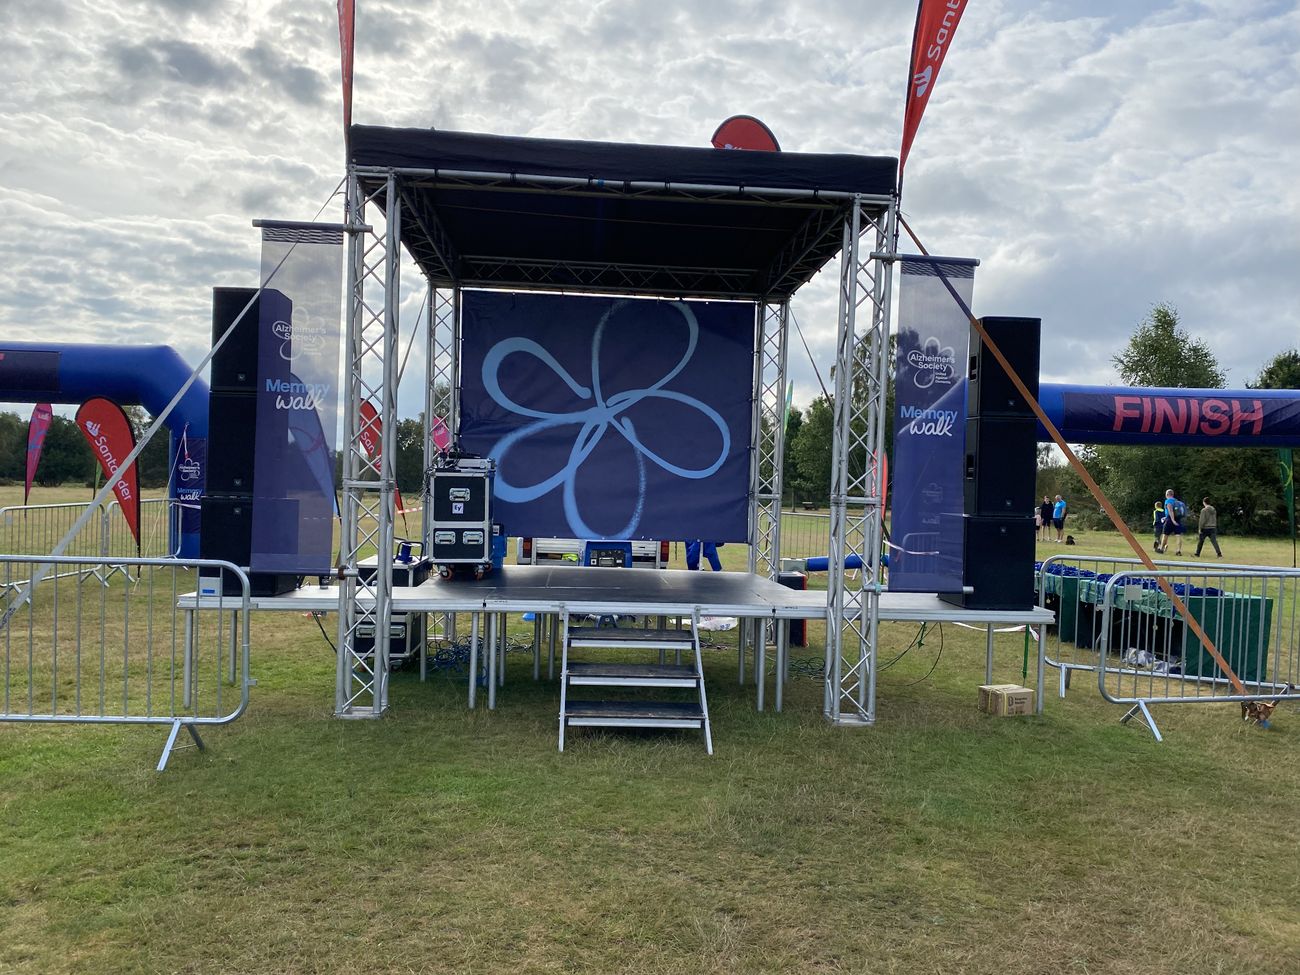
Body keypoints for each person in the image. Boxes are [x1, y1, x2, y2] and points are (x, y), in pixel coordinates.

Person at [1157, 488, 1186, 556]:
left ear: (1167, 494)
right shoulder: (1177, 501)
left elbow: (1170, 510)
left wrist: (1172, 520)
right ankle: (1178, 550)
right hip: (1178, 519)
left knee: (1165, 534)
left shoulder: (1168, 501)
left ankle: (1161, 549)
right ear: (1173, 494)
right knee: (1178, 535)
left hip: (1170, 519)